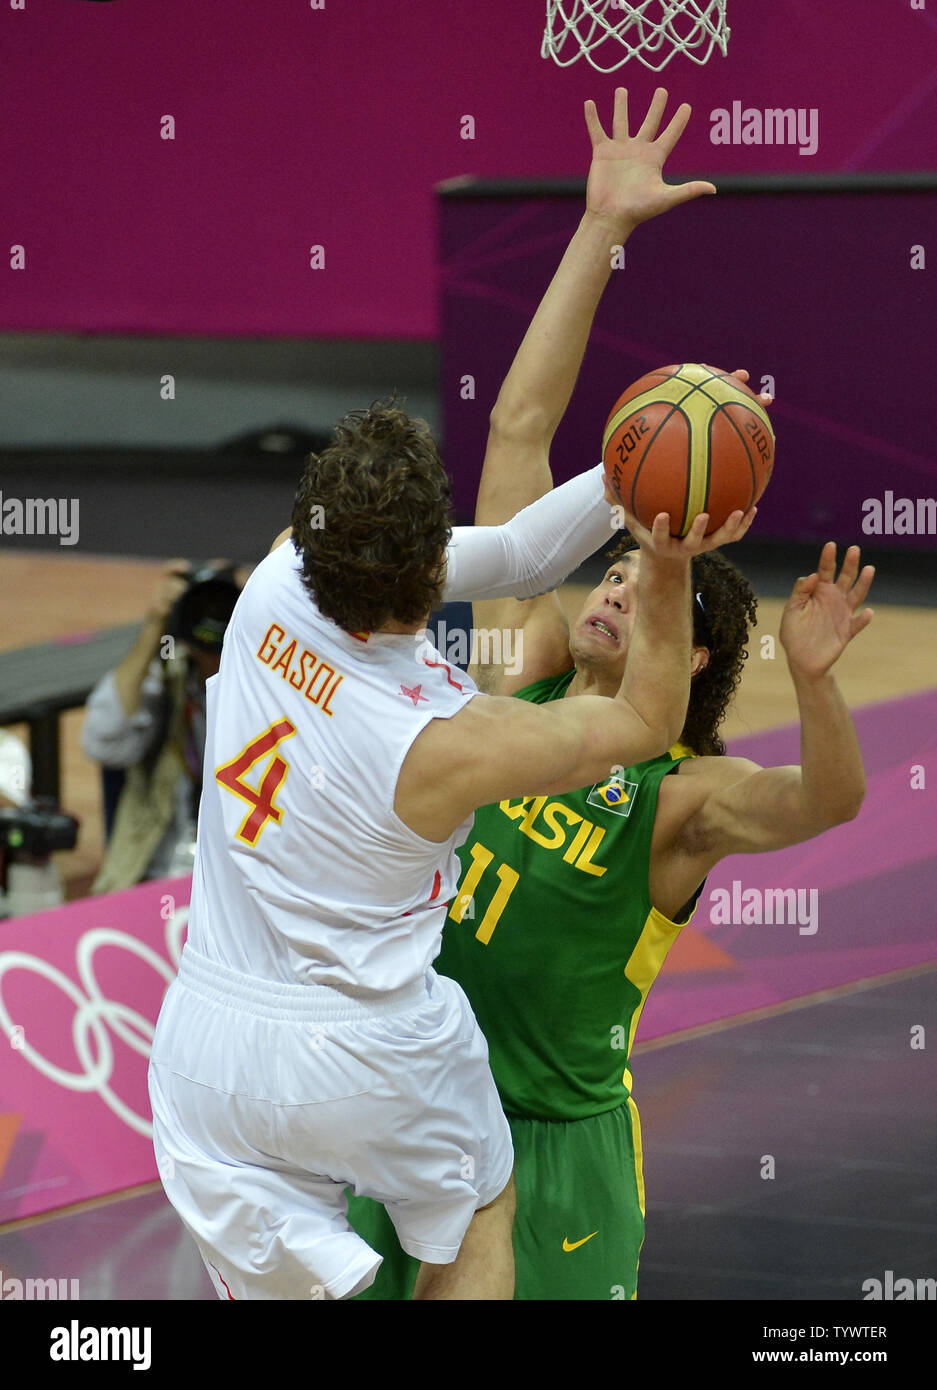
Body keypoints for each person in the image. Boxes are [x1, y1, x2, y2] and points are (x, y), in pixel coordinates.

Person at [346, 87, 873, 1300]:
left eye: (643, 588)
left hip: (558, 1156)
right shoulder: (519, 679)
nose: (613, 589)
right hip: (417, 1109)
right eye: (614, 566)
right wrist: (600, 231)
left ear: (687, 659)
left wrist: (808, 680)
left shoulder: (680, 798)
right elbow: (521, 430)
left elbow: (829, 801)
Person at [146, 366, 754, 1299]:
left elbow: (511, 550)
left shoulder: (275, 576)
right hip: (362, 1051)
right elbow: (639, 720)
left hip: (203, 1048)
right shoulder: (447, 742)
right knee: (481, 1208)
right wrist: (667, 542)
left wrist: (627, 474)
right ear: (429, 563)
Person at [81, 561, 243, 891]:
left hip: (238, 879)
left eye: (223, 613)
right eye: (201, 613)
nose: (214, 632)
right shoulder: (169, 683)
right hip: (164, 877)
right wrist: (156, 622)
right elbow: (101, 740)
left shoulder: (263, 690)